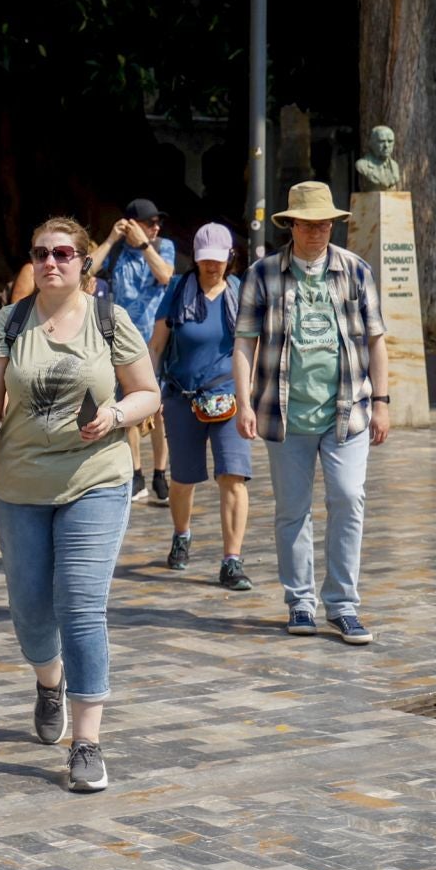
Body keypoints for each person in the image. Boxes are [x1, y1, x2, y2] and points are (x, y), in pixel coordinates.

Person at [0, 216, 159, 794]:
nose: (51, 262)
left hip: (95, 479)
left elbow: (148, 392)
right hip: (20, 484)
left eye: (63, 254)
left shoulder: (109, 319)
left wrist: (118, 414)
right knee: (30, 611)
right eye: (41, 253)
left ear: (82, 262)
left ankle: (87, 742)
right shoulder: (10, 322)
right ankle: (49, 681)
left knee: (80, 604)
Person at [234, 181, 391, 647]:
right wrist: (243, 401)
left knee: (349, 499)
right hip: (285, 414)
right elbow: (244, 343)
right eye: (308, 224)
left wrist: (382, 402)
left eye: (325, 223)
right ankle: (300, 602)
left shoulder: (356, 270)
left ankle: (343, 606)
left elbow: (377, 340)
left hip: (348, 412)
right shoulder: (262, 274)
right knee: (292, 511)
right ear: (291, 226)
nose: (318, 231)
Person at [149, 223, 254, 591]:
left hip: (229, 396)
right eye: (205, 259)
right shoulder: (179, 290)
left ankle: (232, 560)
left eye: (218, 259)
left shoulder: (240, 292)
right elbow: (156, 345)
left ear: (230, 258)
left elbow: (252, 347)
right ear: (195, 258)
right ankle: (182, 534)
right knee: (183, 479)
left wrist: (249, 399)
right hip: (182, 397)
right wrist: (149, 392)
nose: (212, 266)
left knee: (233, 476)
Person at [89, 199, 175, 506]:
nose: (156, 227)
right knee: (130, 405)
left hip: (156, 341)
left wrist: (144, 245)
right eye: (149, 222)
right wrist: (111, 239)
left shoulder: (163, 247)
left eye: (157, 222)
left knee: (159, 410)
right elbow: (86, 270)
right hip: (121, 340)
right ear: (131, 224)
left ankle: (160, 473)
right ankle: (136, 472)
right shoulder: (115, 252)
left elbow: (166, 276)